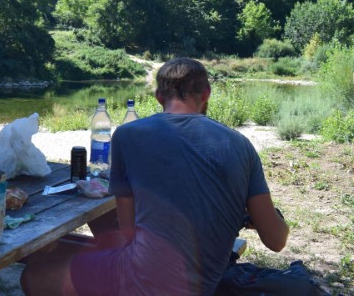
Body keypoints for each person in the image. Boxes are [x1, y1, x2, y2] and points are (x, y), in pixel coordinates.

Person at [21, 57, 289, 296]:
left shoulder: (128, 136)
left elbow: (128, 232)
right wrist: (278, 220)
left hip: (143, 281)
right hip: (204, 284)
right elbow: (276, 241)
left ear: (160, 97)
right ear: (206, 93)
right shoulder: (241, 144)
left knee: (33, 275)